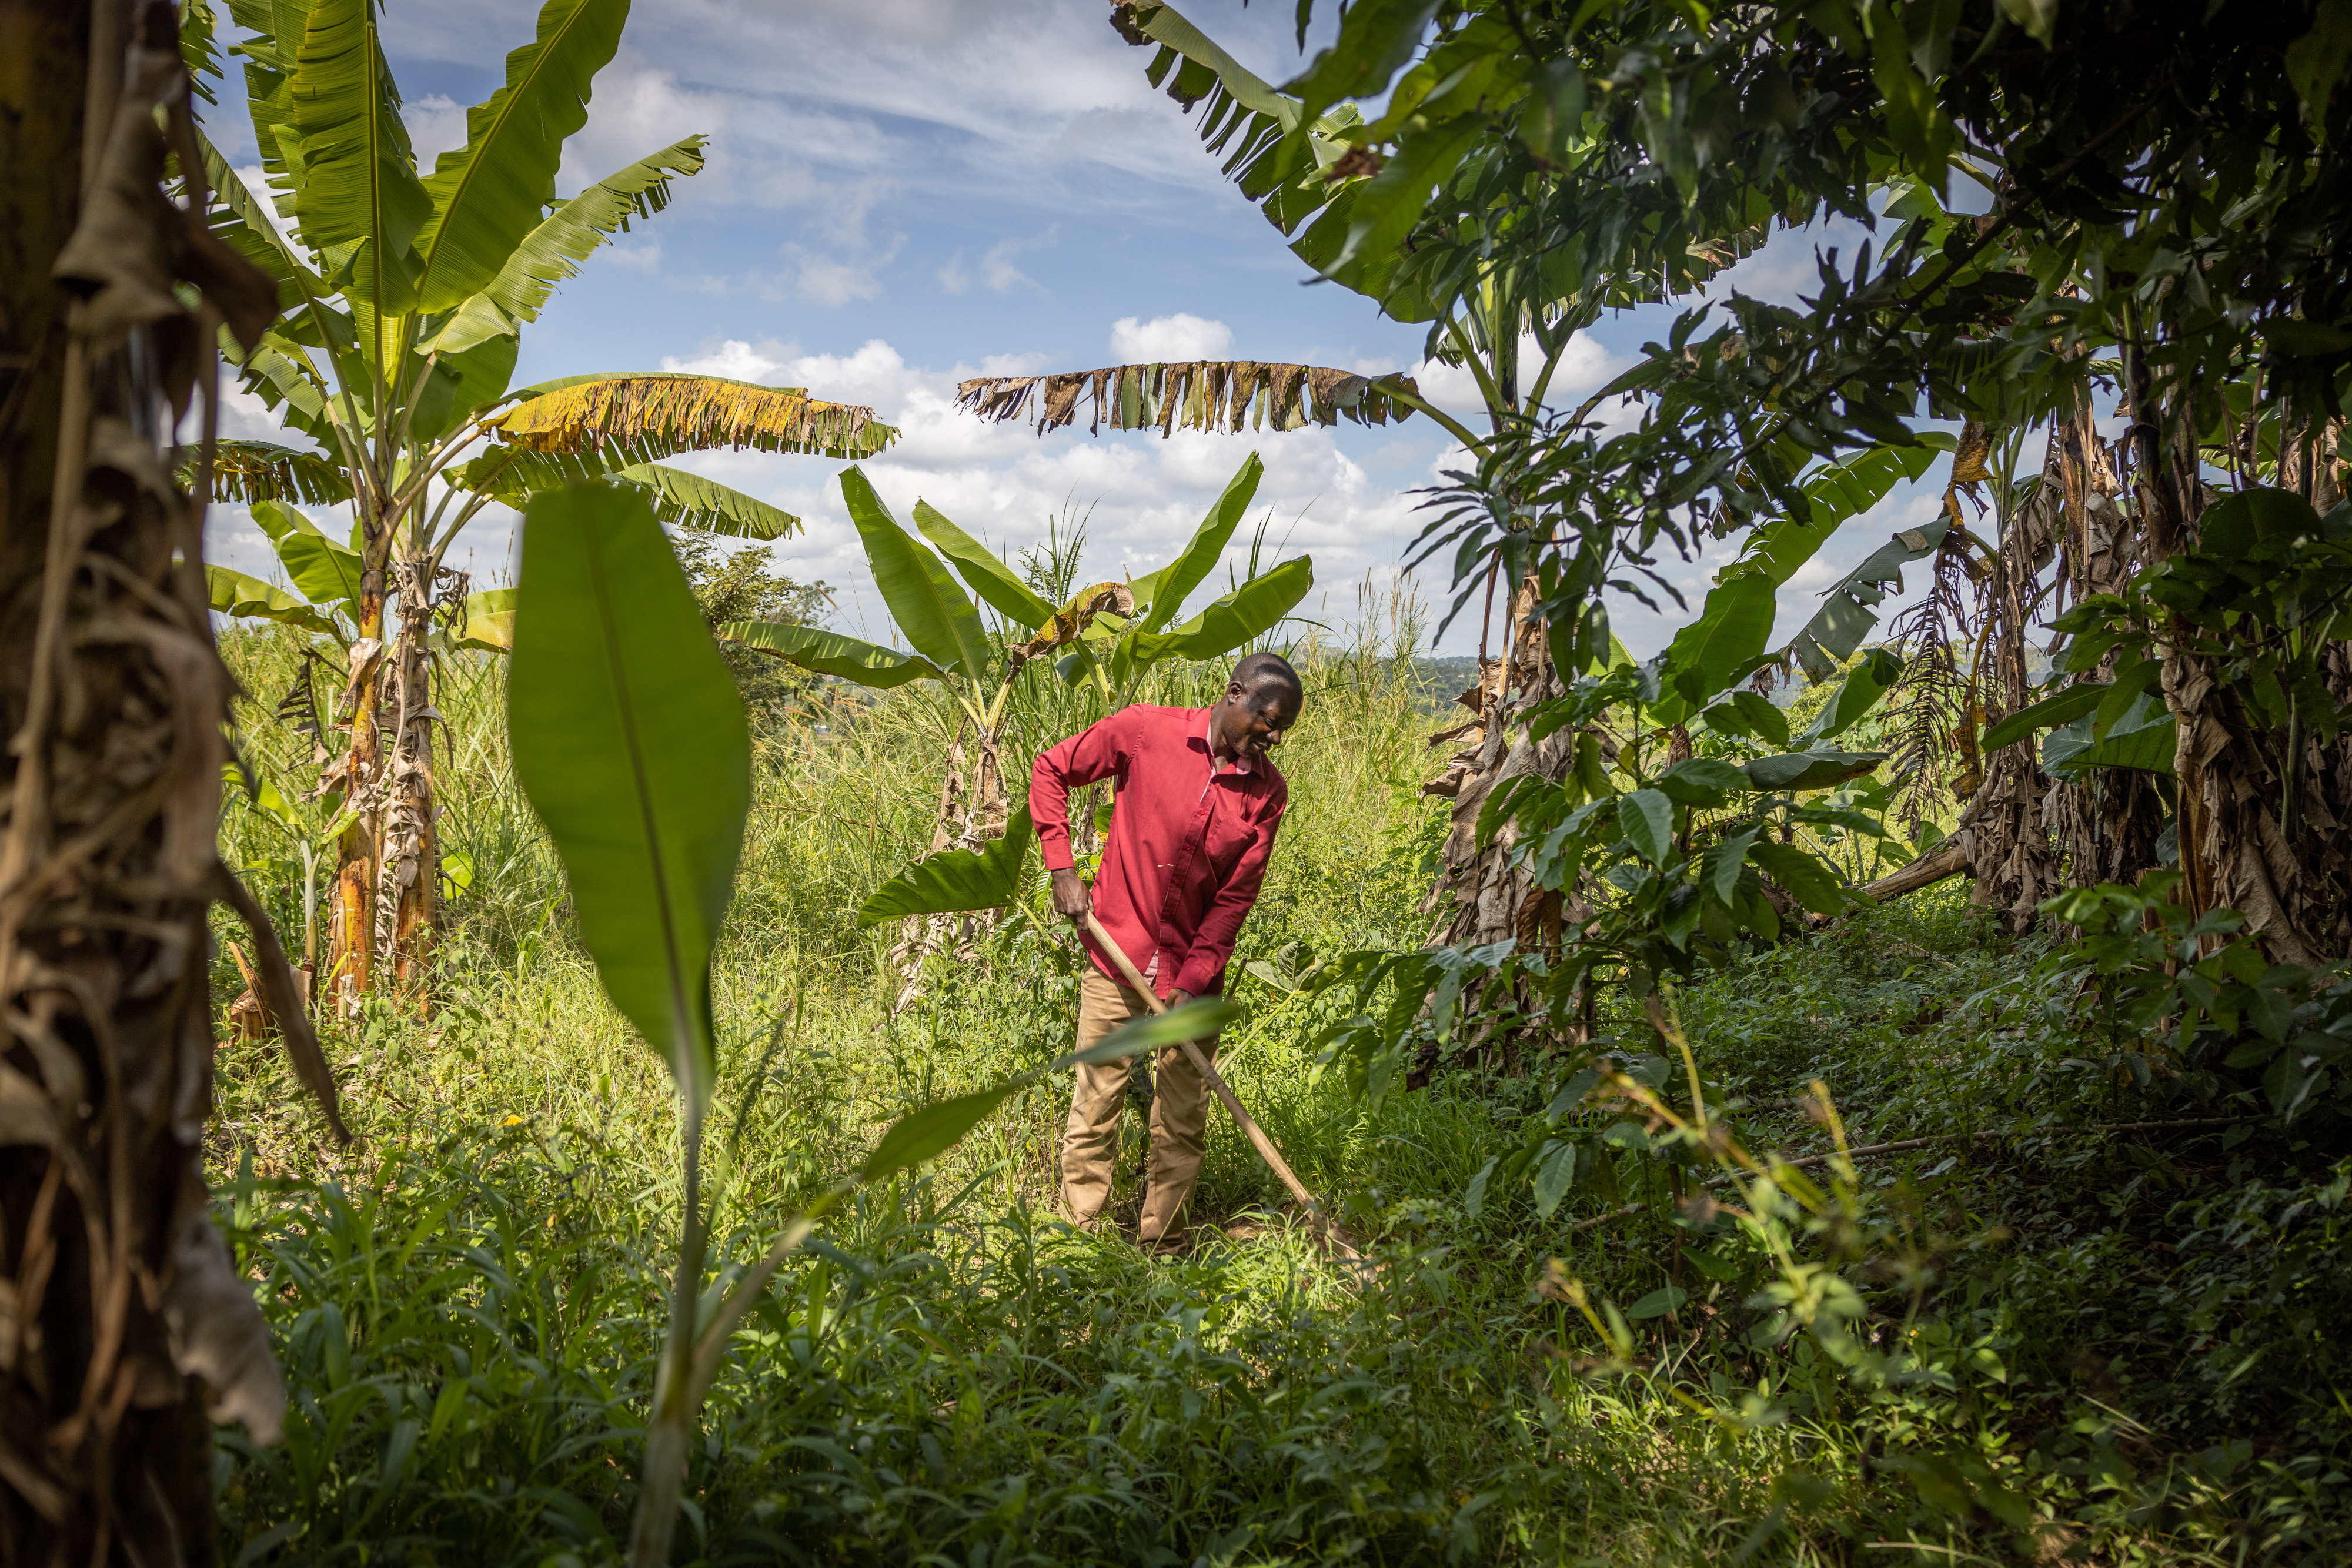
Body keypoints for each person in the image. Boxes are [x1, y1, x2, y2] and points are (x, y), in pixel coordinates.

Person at [1031, 651, 1303, 1248]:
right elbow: (1049, 769)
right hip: (1114, 956)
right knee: (1095, 1103)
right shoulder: (1144, 730)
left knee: (1181, 1119)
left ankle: (1163, 1245)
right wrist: (1061, 871)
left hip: (1192, 978)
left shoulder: (1267, 794)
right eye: (1270, 719)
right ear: (1235, 695)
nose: (1275, 737)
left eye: (1284, 728)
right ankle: (1076, 1238)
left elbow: (1234, 901)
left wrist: (1192, 980)